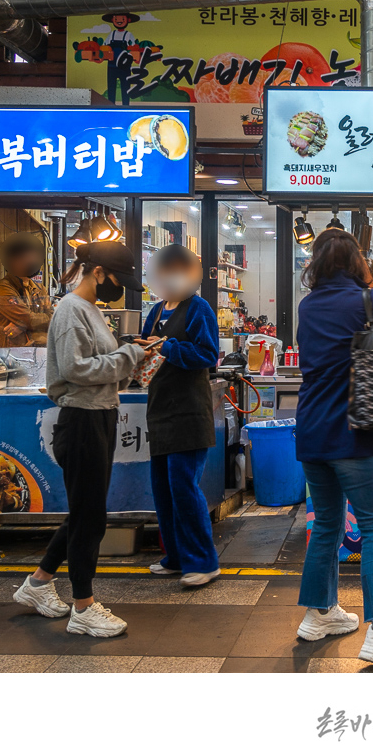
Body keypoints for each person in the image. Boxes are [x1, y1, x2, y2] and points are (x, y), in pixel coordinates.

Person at [13, 241, 147, 638]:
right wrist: (129, 356)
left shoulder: (91, 310)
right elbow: (76, 368)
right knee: (91, 518)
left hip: (98, 417)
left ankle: (37, 584)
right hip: (82, 421)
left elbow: (98, 366)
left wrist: (128, 354)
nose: (119, 288)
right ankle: (83, 607)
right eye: (117, 280)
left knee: (85, 512)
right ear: (98, 272)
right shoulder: (73, 310)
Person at [294, 228, 373, 664]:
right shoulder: (370, 302)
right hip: (356, 429)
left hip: (311, 430)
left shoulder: (307, 306)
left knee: (326, 525)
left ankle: (319, 613)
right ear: (356, 261)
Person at [136, 245, 221, 588]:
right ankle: (175, 557)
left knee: (183, 487)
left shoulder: (199, 308)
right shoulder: (156, 310)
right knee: (163, 489)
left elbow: (208, 354)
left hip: (188, 411)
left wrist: (167, 346)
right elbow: (148, 346)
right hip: (159, 408)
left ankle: (203, 561)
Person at [0, 232, 53, 347]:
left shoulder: (40, 288)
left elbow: (53, 318)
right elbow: (29, 318)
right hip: (11, 355)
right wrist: (27, 323)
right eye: (29, 257)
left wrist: (22, 325)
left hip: (38, 352)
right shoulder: (2, 289)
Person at [102, 12, 140, 105]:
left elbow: (134, 47)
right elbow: (104, 47)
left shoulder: (129, 35)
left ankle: (126, 106)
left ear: (128, 20)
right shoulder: (111, 34)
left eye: (122, 19)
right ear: (112, 20)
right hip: (111, 65)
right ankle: (111, 107)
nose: (119, 21)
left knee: (125, 88)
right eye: (116, 19)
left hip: (125, 66)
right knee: (111, 88)